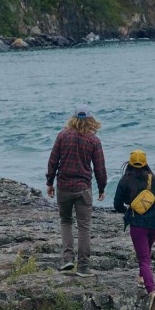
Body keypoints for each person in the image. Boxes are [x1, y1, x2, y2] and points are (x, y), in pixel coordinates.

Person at [46, 104, 107, 277]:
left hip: (63, 187)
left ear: (73, 118)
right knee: (84, 227)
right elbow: (100, 168)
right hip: (83, 189)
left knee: (65, 221)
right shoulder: (94, 140)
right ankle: (83, 267)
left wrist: (49, 182)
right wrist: (102, 188)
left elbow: (53, 162)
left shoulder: (62, 135)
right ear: (90, 119)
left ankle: (67, 259)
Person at [113, 149, 155, 310]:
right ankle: (141, 277)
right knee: (146, 251)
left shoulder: (125, 181)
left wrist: (129, 207)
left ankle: (151, 291)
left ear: (130, 164)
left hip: (138, 224)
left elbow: (117, 205)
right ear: (145, 163)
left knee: (143, 258)